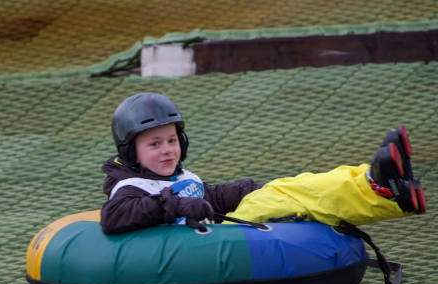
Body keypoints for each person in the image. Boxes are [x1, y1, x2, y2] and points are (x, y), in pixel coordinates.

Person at [100, 92, 426, 234]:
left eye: (172, 141)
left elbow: (209, 199)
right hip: (216, 239)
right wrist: (176, 205)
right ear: (132, 152)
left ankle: (373, 178)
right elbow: (114, 218)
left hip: (217, 227)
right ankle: (382, 191)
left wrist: (243, 189)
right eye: (154, 144)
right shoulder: (131, 187)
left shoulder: (179, 176)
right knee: (280, 198)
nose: (167, 150)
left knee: (291, 185)